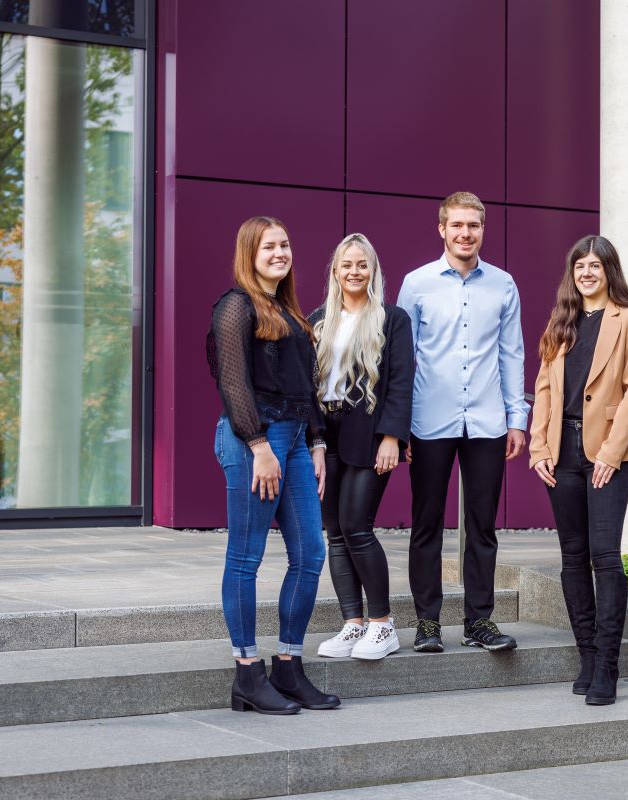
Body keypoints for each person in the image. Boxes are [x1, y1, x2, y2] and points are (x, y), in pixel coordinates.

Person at [207, 216, 341, 714]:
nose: (280, 252)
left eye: (285, 244)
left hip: (296, 443)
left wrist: (318, 443)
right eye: (269, 246)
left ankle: (288, 664)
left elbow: (303, 387)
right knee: (246, 558)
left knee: (309, 553)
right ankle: (247, 672)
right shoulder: (235, 306)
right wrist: (260, 445)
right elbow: (233, 382)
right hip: (253, 443)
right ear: (250, 253)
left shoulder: (289, 311)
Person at [397, 191, 529, 653]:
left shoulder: (504, 285)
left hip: (488, 423)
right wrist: (399, 425)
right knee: (426, 523)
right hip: (428, 421)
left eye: (473, 225)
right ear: (442, 229)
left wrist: (517, 418)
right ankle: (428, 622)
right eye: (457, 225)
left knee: (482, 525)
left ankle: (479, 621)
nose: (465, 233)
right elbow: (403, 360)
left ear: (482, 229)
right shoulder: (416, 285)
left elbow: (512, 353)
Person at [528, 235, 628, 705]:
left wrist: (611, 453)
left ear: (609, 271)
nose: (586, 273)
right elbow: (542, 390)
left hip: (605, 454)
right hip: (561, 453)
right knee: (572, 557)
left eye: (596, 265)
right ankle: (585, 657)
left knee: (605, 556)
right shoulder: (562, 321)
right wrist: (539, 447)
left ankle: (608, 667)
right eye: (579, 265)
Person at [309, 233, 414, 660]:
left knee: (357, 526)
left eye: (362, 264)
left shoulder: (393, 319)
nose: (354, 272)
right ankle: (352, 624)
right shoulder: (317, 318)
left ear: (373, 271)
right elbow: (308, 385)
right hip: (327, 433)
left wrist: (393, 437)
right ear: (335, 271)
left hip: (369, 433)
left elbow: (403, 380)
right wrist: (313, 440)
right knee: (334, 533)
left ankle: (382, 624)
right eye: (347, 265)